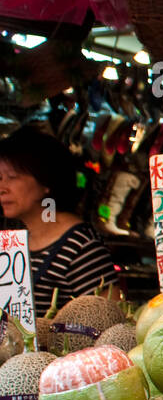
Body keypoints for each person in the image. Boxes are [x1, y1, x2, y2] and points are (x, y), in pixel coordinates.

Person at [0, 127, 120, 315]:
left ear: (46, 181)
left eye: (12, 177)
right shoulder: (18, 243)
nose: (2, 188)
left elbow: (109, 318)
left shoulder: (81, 246)